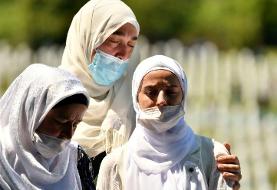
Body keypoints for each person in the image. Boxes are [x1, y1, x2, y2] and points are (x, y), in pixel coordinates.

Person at [60, 0, 241, 186]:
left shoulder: (141, 109)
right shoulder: (48, 107)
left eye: (131, 44)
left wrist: (214, 166)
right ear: (85, 38)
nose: (123, 54)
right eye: (115, 40)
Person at [96, 55, 238, 190]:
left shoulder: (213, 155)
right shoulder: (115, 165)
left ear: (183, 97)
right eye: (151, 92)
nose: (161, 101)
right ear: (136, 98)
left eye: (171, 92)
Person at [0, 64, 90, 189]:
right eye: (61, 122)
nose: (69, 134)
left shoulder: (74, 158)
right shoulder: (3, 157)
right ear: (31, 113)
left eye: (75, 125)